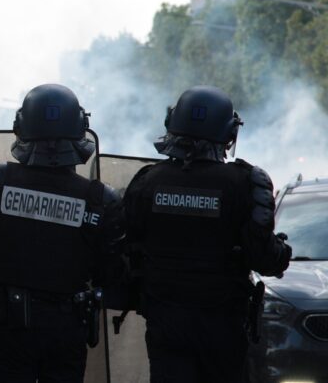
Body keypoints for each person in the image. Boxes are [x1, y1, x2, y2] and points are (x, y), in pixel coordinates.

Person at [123, 86, 291, 383]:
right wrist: (281, 253)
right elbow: (264, 259)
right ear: (228, 134)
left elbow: (126, 248)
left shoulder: (147, 181)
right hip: (221, 322)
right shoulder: (245, 182)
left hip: (165, 319)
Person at [0, 84, 125, 383]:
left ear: (21, 128)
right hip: (67, 328)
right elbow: (110, 273)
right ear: (79, 130)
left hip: (10, 326)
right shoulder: (101, 200)